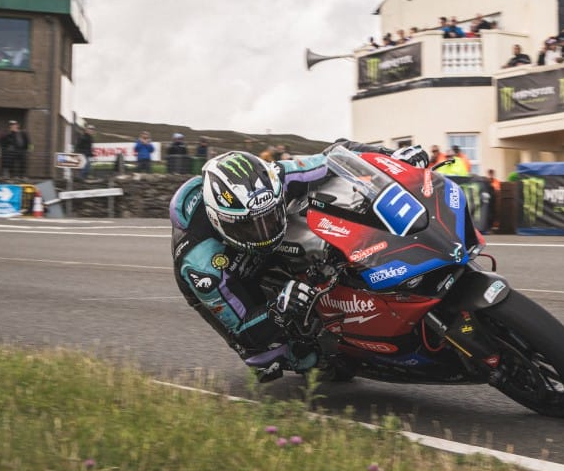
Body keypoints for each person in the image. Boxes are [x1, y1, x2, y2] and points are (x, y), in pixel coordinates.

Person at [170, 143, 429, 381]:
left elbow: (335, 157)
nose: (265, 233)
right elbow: (243, 330)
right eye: (251, 227)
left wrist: (389, 158)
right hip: (234, 277)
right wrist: (278, 309)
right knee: (274, 356)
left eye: (269, 217)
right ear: (219, 220)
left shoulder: (276, 177)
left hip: (253, 244)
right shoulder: (202, 266)